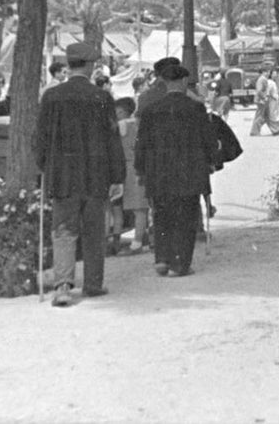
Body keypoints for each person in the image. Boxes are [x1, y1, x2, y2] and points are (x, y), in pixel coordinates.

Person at [35, 42, 126, 307]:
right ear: (89, 65)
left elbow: (40, 138)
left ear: (69, 64)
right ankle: (93, 283)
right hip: (95, 175)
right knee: (94, 230)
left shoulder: (51, 97)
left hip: (62, 176)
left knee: (63, 230)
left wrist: (44, 166)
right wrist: (117, 176)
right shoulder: (101, 97)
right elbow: (112, 139)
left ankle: (62, 285)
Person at [135, 60, 219, 278]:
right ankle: (179, 263)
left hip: (158, 172)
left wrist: (140, 170)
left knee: (162, 215)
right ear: (183, 81)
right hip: (188, 172)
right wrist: (212, 161)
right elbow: (208, 139)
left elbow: (142, 143)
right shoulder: (195, 108)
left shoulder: (151, 110)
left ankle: (161, 259)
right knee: (185, 217)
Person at [114, 97, 148, 254]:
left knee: (137, 207)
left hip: (129, 166)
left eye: (119, 111)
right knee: (141, 206)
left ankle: (137, 242)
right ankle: (142, 238)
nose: (117, 114)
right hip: (139, 165)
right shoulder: (139, 125)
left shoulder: (122, 126)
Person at [250, 67, 279, 136]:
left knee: (262, 116)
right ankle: (255, 131)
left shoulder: (262, 79)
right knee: (260, 116)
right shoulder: (263, 79)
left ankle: (274, 130)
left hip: (261, 100)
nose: (268, 73)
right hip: (261, 100)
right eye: (266, 72)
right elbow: (260, 90)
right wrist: (264, 97)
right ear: (263, 72)